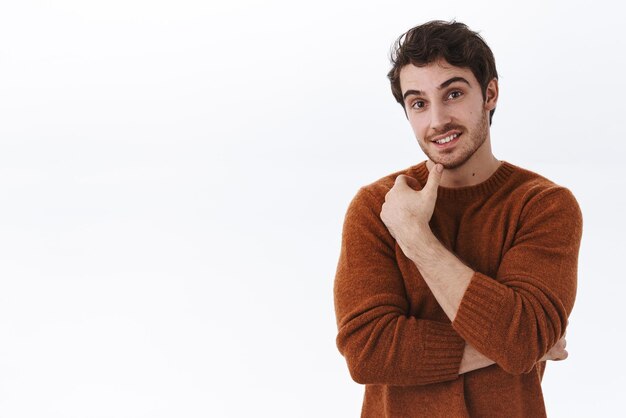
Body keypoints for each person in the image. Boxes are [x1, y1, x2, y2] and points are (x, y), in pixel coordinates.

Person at [333, 20, 583, 417]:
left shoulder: (544, 206)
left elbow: (520, 341)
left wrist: (416, 238)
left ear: (490, 93)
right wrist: (512, 345)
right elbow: (367, 352)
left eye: (452, 93)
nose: (437, 120)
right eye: (418, 103)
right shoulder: (377, 207)